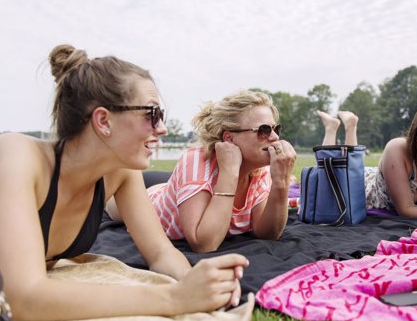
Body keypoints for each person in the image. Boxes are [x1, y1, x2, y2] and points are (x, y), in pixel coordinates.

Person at [0, 50, 248, 321]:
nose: (163, 128)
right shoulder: (12, 154)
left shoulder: (121, 173)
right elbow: (22, 297)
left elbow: (161, 254)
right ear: (103, 121)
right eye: (152, 114)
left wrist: (196, 282)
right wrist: (174, 299)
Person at [108, 90, 296, 253]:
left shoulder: (259, 169)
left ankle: (171, 186)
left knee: (170, 186)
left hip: (176, 188)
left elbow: (267, 234)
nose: (275, 137)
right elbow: (204, 244)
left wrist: (281, 181)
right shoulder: (196, 161)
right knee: (111, 206)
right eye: (263, 130)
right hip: (150, 200)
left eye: (275, 128)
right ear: (229, 139)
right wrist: (229, 173)